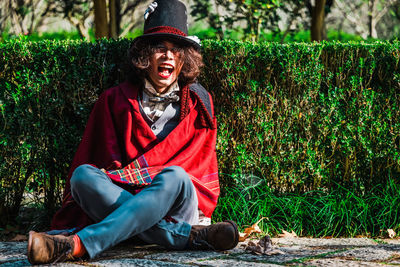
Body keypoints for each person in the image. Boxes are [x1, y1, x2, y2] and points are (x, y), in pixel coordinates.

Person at [27, 0, 239, 264]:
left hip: (175, 201)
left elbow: (198, 164)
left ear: (185, 59)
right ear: (144, 56)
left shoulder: (199, 103)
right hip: (124, 194)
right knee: (82, 177)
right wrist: (135, 197)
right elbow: (102, 162)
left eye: (176, 50)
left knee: (173, 175)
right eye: (159, 48)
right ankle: (189, 236)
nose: (168, 56)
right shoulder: (114, 100)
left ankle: (77, 245)